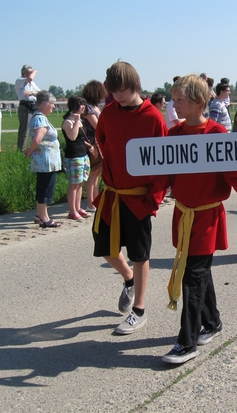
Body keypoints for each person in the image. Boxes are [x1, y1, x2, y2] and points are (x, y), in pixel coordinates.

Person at [155, 74, 237, 364]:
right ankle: (213, 322)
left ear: (199, 102)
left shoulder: (218, 134)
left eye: (180, 100)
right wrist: (150, 199)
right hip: (183, 214)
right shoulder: (174, 135)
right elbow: (162, 174)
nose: (175, 104)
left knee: (193, 275)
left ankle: (187, 341)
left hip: (207, 216)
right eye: (173, 99)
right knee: (200, 271)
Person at [92, 61, 168, 334]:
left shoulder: (153, 118)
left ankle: (139, 309)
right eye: (113, 92)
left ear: (135, 86)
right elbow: (104, 145)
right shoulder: (108, 114)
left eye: (122, 90)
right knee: (104, 247)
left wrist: (154, 197)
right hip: (112, 194)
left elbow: (163, 162)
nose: (118, 96)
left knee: (139, 252)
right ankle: (128, 278)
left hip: (139, 198)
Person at [23, 91, 62, 228]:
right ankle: (44, 218)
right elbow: (37, 138)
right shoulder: (39, 118)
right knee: (46, 188)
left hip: (46, 161)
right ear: (44, 103)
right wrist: (30, 151)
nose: (53, 106)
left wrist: (30, 150)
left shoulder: (40, 117)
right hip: (45, 161)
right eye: (52, 104)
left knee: (43, 187)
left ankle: (40, 215)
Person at [62, 95, 91, 221]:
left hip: (83, 154)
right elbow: (72, 137)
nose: (83, 107)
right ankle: (72, 210)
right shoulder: (68, 121)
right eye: (81, 105)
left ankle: (78, 207)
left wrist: (88, 145)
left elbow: (80, 138)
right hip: (73, 156)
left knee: (80, 183)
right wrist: (75, 122)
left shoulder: (79, 120)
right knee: (74, 184)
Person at [81, 80, 107, 212]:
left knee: (97, 173)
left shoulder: (96, 107)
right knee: (92, 174)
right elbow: (98, 125)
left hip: (99, 142)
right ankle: (91, 203)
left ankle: (96, 200)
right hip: (92, 143)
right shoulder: (89, 107)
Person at [16, 65, 40, 151]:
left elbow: (39, 92)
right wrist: (35, 71)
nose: (32, 74)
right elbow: (30, 78)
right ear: (25, 73)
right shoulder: (20, 81)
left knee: (36, 128)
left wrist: (32, 93)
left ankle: (33, 148)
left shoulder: (32, 84)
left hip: (33, 105)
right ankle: (21, 150)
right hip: (25, 106)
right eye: (30, 72)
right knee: (25, 129)